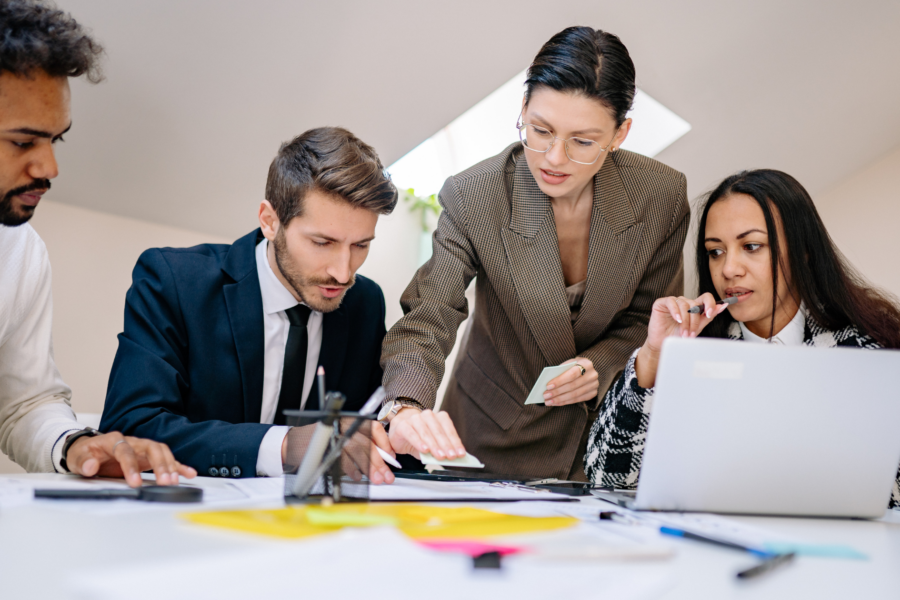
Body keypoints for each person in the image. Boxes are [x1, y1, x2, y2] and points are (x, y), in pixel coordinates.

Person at [380, 26, 689, 479]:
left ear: (620, 133)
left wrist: (597, 365)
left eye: (582, 141)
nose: (554, 158)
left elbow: (649, 319)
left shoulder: (660, 196)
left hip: (602, 440)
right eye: (540, 130)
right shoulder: (475, 195)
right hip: (488, 437)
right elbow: (429, 314)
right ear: (523, 109)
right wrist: (404, 407)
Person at [584, 169, 900, 509]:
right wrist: (654, 355)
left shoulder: (871, 349)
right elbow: (607, 479)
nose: (729, 269)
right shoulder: (694, 352)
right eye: (715, 251)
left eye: (751, 247)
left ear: (804, 251)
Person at [100, 127, 397, 484]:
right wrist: (285, 445)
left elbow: (368, 433)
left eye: (361, 245)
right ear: (270, 221)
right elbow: (130, 425)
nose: (343, 271)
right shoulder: (174, 282)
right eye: (322, 242)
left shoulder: (365, 303)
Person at [0, 0, 195, 486]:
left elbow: (22, 403)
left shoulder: (20, 250)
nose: (49, 169)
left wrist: (75, 446)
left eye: (56, 141)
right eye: (24, 142)